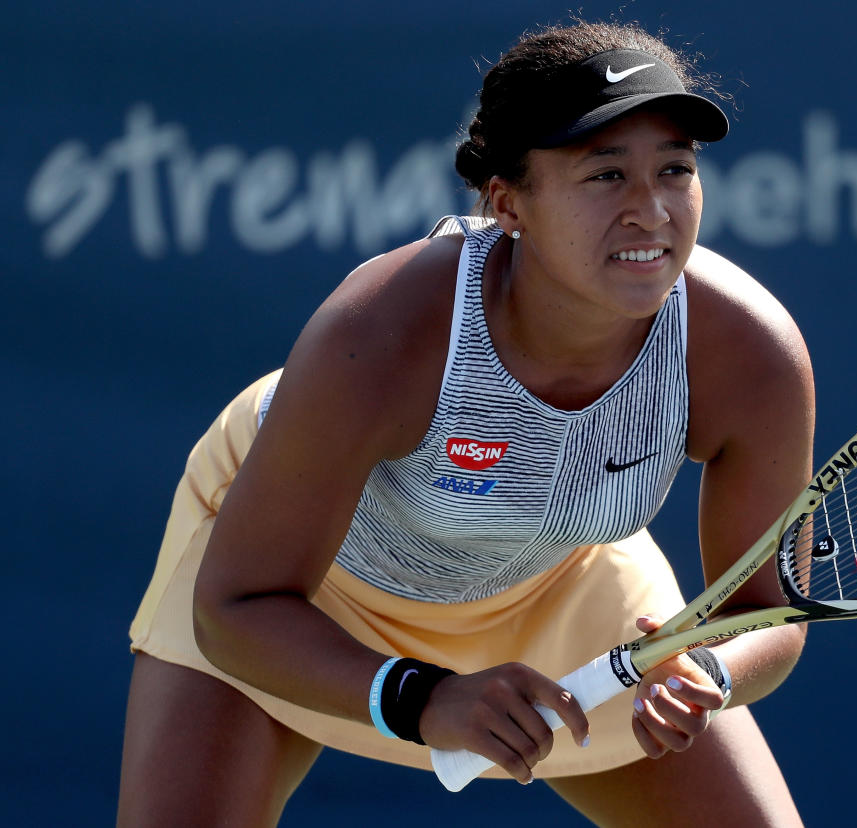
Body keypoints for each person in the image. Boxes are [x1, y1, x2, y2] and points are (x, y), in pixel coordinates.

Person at [118, 18, 815, 828]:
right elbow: (235, 606)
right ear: (508, 201)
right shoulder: (381, 335)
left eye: (676, 170)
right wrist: (421, 696)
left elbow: (767, 612)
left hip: (563, 586)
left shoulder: (750, 355)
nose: (652, 211)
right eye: (605, 175)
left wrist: (714, 674)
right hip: (302, 594)